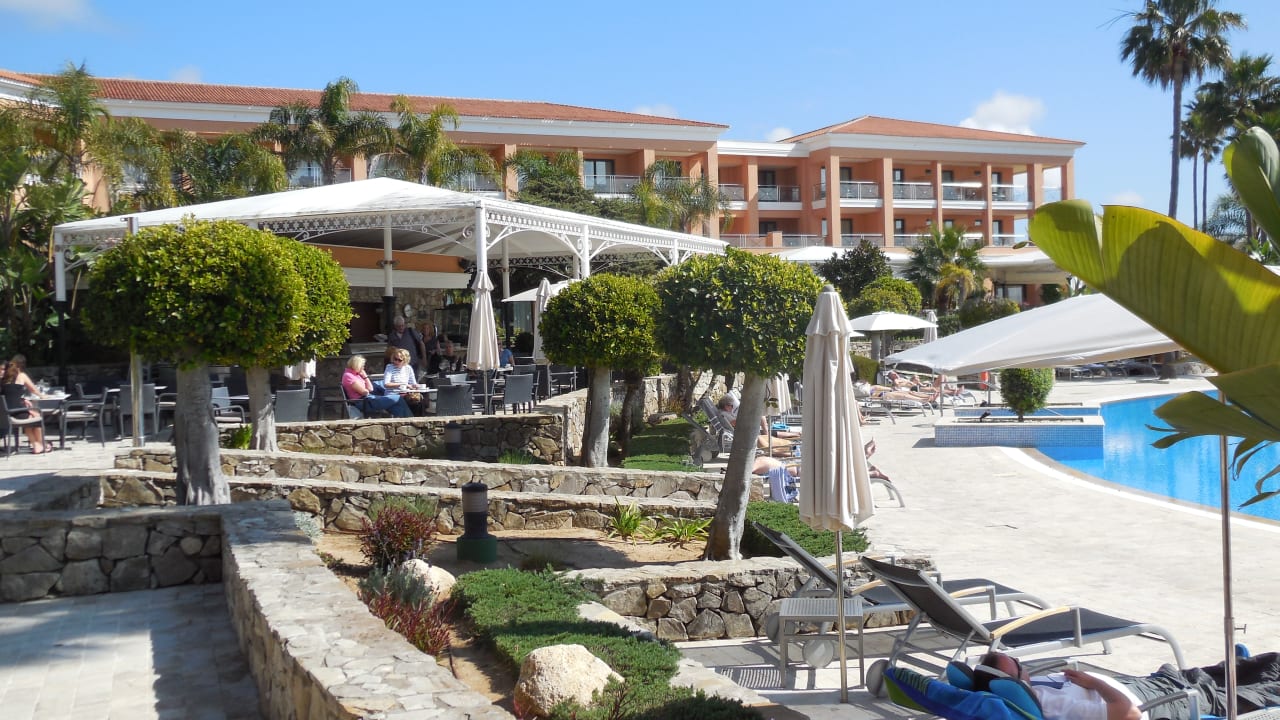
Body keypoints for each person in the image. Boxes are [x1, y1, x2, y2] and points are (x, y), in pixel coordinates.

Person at [976, 650, 1280, 720]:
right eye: (1016, 665)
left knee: (1268, 662)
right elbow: (1128, 714)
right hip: (1165, 702)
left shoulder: (1030, 691)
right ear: (1010, 681)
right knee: (1263, 692)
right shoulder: (1051, 706)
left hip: (1155, 684)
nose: (1021, 663)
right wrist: (1095, 681)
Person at [2, 354, 52, 453]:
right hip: (16, 412)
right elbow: (33, 389)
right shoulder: (21, 375)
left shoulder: (4, 378)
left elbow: (10, 395)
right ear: (22, 365)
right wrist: (42, 396)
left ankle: (37, 445)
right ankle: (42, 444)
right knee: (36, 416)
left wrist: (23, 399)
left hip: (5, 413)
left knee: (30, 418)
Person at [341, 355, 412, 418]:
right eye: (362, 366)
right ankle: (411, 420)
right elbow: (364, 392)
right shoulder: (348, 376)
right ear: (357, 365)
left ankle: (405, 424)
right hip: (364, 402)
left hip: (369, 399)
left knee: (396, 406)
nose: (363, 368)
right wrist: (366, 390)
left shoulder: (356, 374)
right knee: (398, 398)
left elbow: (370, 389)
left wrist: (365, 377)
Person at [382, 348, 428, 416]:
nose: (396, 361)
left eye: (399, 360)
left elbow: (413, 383)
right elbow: (386, 384)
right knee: (411, 401)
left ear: (405, 360)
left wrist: (416, 386)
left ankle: (418, 418)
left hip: (406, 393)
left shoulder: (408, 368)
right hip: (393, 393)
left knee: (419, 400)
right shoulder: (390, 367)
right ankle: (410, 417)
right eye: (395, 359)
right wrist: (402, 384)